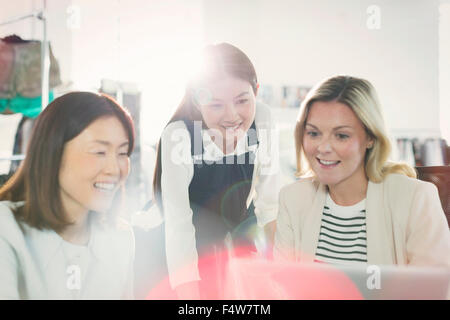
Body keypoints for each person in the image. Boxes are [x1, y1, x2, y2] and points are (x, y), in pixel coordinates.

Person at [274, 75, 450, 267]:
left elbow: (433, 292)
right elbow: (281, 288)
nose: (323, 147)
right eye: (313, 133)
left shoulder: (416, 199)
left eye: (341, 135)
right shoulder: (292, 199)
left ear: (371, 138)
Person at [152, 43, 280, 299]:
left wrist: (275, 270)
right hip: (191, 240)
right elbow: (179, 224)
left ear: (256, 91)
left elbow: (269, 204)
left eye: (242, 100)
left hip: (241, 225)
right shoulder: (180, 135)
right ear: (199, 102)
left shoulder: (263, 118)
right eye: (217, 105)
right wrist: (190, 295)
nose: (232, 116)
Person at [0, 92, 136, 299]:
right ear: (53, 152)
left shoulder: (120, 237)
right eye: (99, 152)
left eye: (122, 153)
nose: (114, 169)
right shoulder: (7, 229)